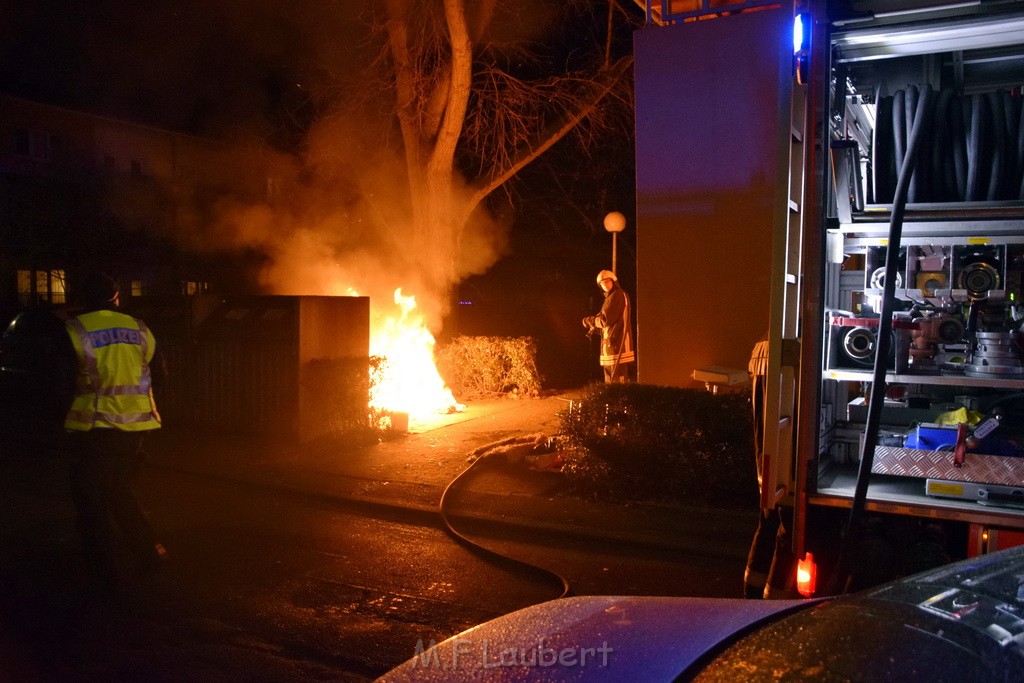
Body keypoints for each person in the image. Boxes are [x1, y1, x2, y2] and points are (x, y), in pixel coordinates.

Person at [63, 272, 166, 595]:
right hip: (134, 429)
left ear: (82, 298)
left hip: (93, 429)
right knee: (119, 490)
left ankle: (104, 575)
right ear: (115, 297)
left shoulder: (74, 331)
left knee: (91, 501)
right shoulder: (140, 329)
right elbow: (160, 376)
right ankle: (149, 554)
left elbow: (59, 382)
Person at [743, 334, 794, 598]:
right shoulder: (794, 348)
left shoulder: (765, 345)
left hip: (769, 466)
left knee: (769, 516)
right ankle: (773, 603)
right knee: (789, 519)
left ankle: (752, 596)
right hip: (783, 468)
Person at [582, 269, 635, 383]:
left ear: (613, 281)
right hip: (611, 343)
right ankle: (610, 398)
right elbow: (608, 324)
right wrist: (595, 328)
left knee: (617, 379)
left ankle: (617, 399)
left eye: (607, 281)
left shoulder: (617, 295)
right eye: (602, 283)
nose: (605, 284)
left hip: (616, 343)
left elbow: (605, 320)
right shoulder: (610, 298)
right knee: (610, 377)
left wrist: (589, 321)